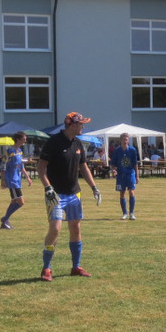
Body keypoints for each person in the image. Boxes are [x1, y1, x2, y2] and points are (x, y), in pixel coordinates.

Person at [36, 111, 101, 281]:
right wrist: (48, 188)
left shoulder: (78, 143)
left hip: (74, 193)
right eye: (81, 124)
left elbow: (83, 168)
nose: (83, 127)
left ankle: (76, 266)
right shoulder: (53, 142)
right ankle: (46, 268)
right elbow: (41, 167)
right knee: (55, 229)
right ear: (72, 125)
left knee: (76, 228)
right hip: (55, 194)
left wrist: (94, 187)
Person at [0, 131, 32, 229]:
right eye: (24, 138)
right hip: (11, 180)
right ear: (18, 139)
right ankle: (5, 218)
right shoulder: (9, 151)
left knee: (14, 201)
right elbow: (3, 166)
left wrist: (28, 177)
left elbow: (21, 166)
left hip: (17, 180)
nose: (25, 140)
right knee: (21, 202)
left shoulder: (19, 151)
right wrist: (3, 180)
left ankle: (5, 222)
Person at [110, 132, 140, 220]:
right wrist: (113, 170)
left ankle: (131, 213)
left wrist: (137, 176)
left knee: (131, 192)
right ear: (121, 140)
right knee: (122, 193)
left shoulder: (132, 150)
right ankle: (124, 213)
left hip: (130, 173)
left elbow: (135, 164)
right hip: (121, 175)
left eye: (127, 139)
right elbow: (112, 164)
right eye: (124, 139)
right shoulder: (117, 151)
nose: (125, 141)